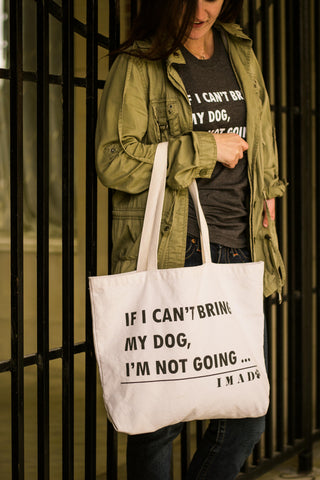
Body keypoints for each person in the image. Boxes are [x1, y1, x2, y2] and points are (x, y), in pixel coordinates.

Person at [95, 0, 287, 478]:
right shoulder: (138, 64)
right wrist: (204, 147)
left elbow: (260, 131)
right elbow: (113, 160)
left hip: (240, 245)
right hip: (173, 246)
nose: (202, 8)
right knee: (158, 418)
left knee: (248, 413)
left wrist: (269, 188)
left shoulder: (239, 50)